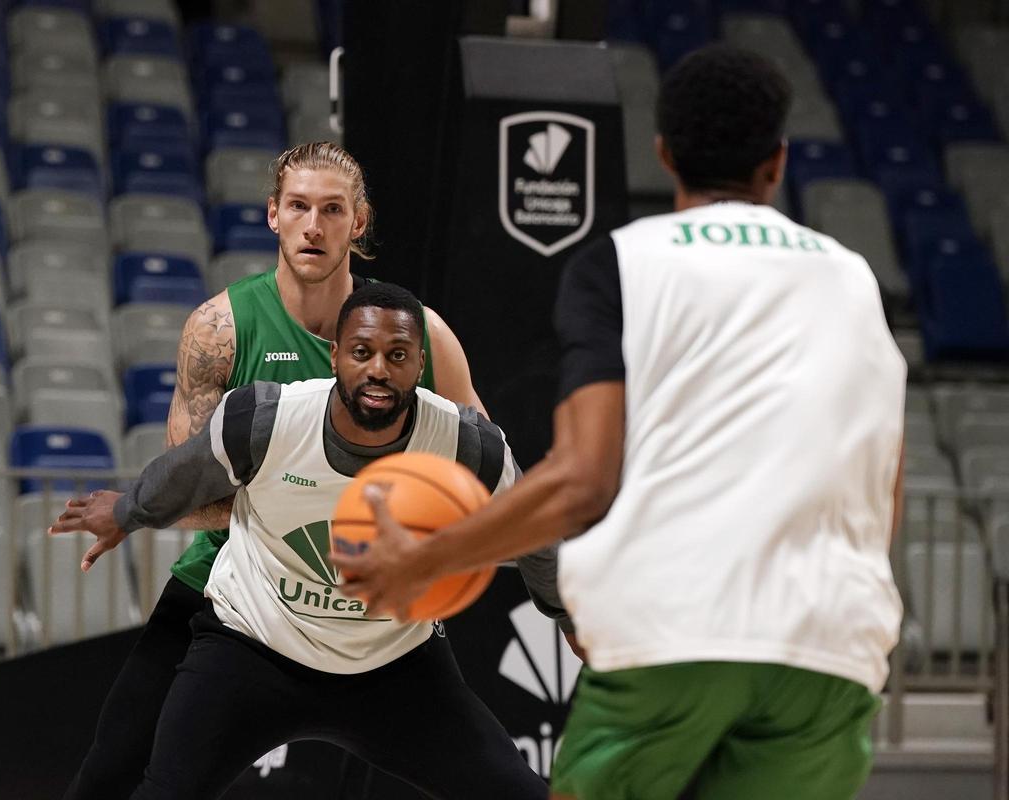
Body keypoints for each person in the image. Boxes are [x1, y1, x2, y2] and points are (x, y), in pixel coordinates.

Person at [335, 44, 907, 800]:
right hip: (830, 648)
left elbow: (584, 478)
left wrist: (432, 556)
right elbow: (885, 485)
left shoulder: (624, 263)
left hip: (675, 632)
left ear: (664, 155)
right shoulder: (853, 276)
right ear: (777, 162)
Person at [63, 142, 572, 799]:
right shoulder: (220, 329)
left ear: (358, 222)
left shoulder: (422, 335)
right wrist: (332, 507)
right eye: (298, 206)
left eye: (332, 209)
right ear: (273, 215)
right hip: (236, 590)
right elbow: (187, 494)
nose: (314, 225)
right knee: (111, 769)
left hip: (377, 606)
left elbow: (488, 487)